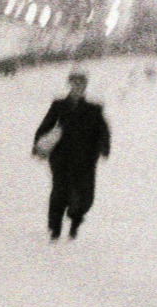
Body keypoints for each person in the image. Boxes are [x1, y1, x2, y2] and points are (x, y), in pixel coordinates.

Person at [33, 70, 111, 240]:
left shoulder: (94, 109)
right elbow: (46, 125)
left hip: (86, 158)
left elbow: (103, 130)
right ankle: (55, 227)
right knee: (60, 191)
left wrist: (104, 148)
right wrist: (38, 146)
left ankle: (75, 219)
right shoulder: (59, 105)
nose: (78, 87)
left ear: (85, 87)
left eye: (81, 84)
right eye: (75, 84)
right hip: (61, 156)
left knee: (85, 195)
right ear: (70, 85)